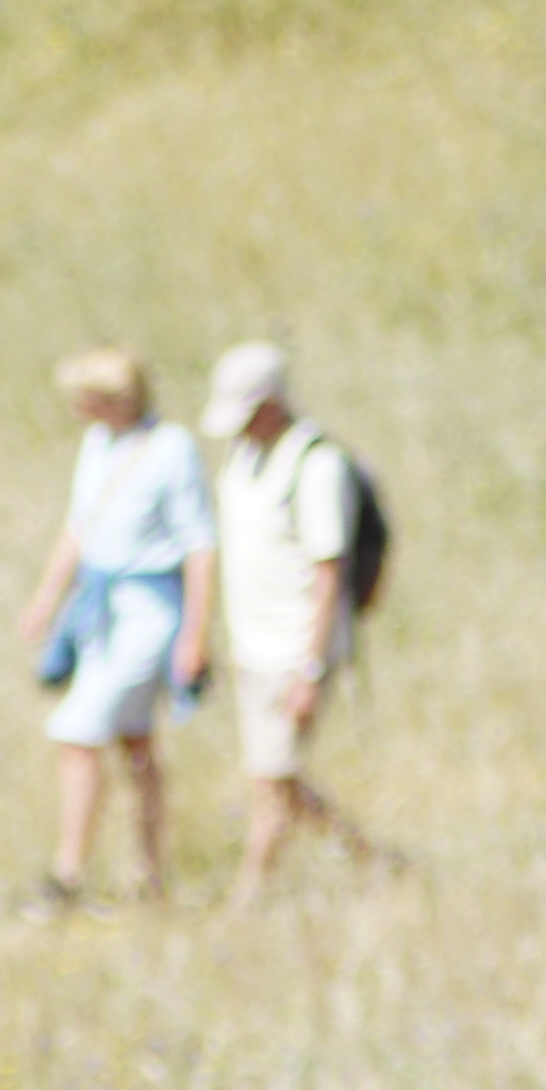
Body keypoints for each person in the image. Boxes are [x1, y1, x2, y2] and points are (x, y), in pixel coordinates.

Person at [18, 347, 215, 902]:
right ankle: (150, 873)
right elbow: (80, 527)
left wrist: (195, 634)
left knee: (78, 734)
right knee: (136, 742)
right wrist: (47, 599)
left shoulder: (171, 449)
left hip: (148, 611)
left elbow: (199, 546)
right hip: (102, 610)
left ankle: (67, 873)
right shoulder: (98, 445)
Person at [202, 340, 389, 891]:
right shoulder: (244, 461)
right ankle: (372, 861)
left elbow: (328, 570)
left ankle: (249, 897)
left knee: (272, 782)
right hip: (253, 645)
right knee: (273, 780)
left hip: (296, 648)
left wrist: (311, 668)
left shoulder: (317, 466)